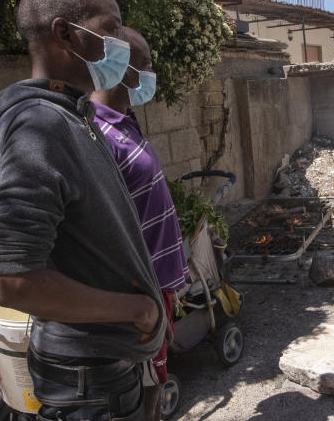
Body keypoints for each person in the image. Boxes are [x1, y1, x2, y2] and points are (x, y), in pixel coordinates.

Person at [0, 0, 166, 421]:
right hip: (89, 377)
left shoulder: (69, 115)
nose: (120, 43)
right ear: (65, 33)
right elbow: (15, 282)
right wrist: (138, 308)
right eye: (110, 29)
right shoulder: (39, 127)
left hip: (100, 366)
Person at [90, 27, 188, 421]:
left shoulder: (125, 121)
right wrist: (144, 303)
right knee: (143, 387)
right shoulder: (97, 132)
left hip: (155, 286)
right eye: (144, 66)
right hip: (138, 292)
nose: (149, 76)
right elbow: (107, 228)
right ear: (122, 69)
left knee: (155, 381)